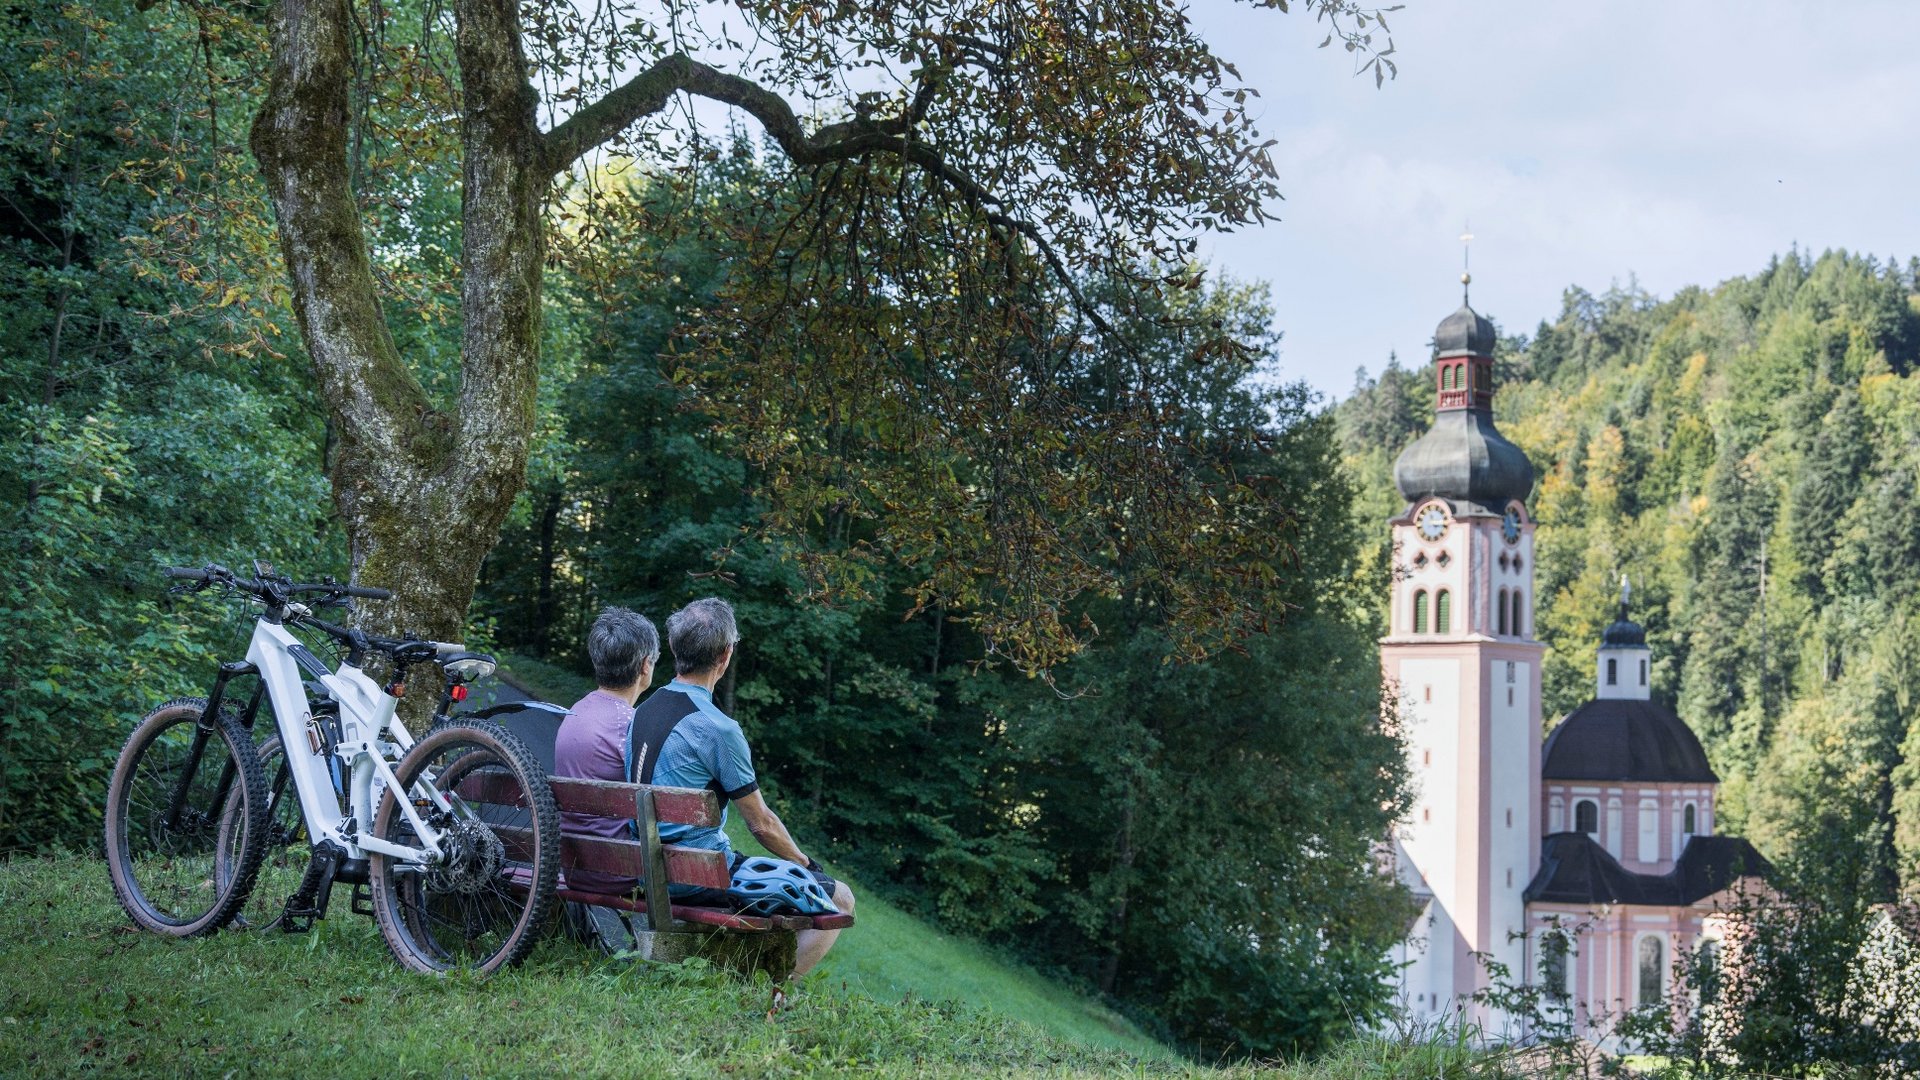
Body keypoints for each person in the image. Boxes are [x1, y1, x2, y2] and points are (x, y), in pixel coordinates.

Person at [555, 600, 853, 977]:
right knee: (839, 896)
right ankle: (773, 994)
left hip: (647, 869)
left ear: (675, 649)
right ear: (725, 656)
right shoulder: (718, 728)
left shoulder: (644, 711)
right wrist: (807, 864)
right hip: (697, 877)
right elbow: (761, 824)